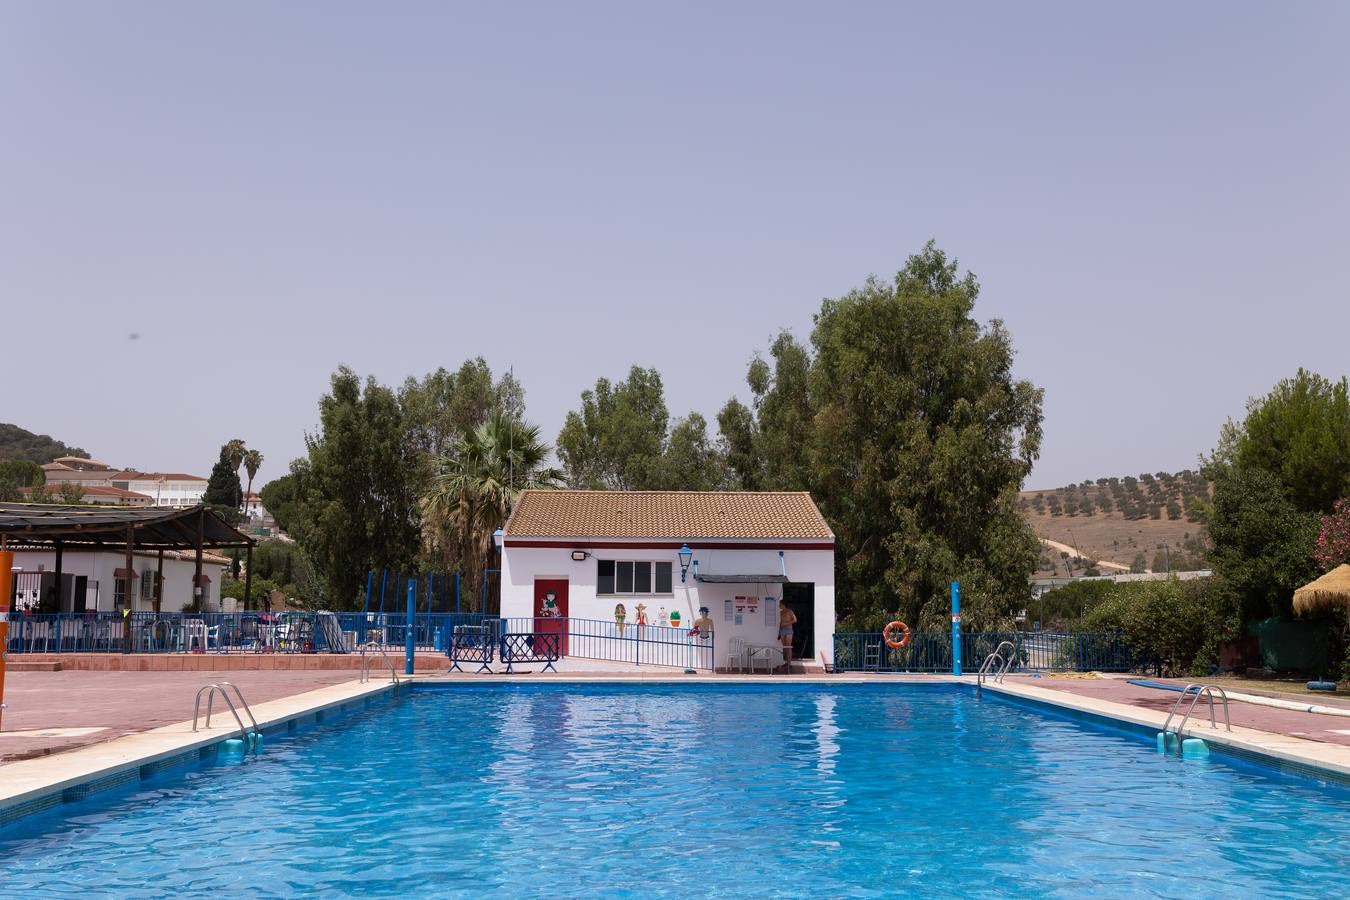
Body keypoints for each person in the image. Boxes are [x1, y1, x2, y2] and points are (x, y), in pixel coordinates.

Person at [778, 600, 798, 672]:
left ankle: (789, 663)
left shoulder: (790, 611)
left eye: (780, 604)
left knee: (788, 646)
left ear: (783, 605)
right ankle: (786, 662)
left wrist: (786, 624)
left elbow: (795, 620)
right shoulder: (781, 612)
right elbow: (781, 622)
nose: (779, 605)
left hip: (788, 629)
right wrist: (779, 632)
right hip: (782, 630)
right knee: (785, 647)